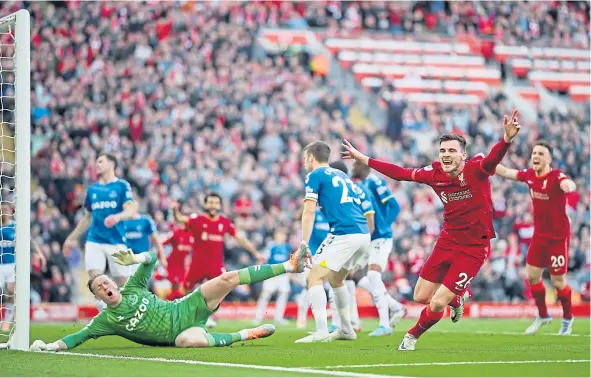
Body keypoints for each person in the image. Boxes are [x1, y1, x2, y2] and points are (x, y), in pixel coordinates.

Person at [342, 110, 521, 350]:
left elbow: (493, 159)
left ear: (463, 155)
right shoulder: (433, 173)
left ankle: (412, 336)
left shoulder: (477, 169)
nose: (446, 155)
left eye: (451, 151)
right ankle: (458, 296)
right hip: (447, 241)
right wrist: (364, 159)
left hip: (474, 248)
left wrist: (507, 139)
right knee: (420, 297)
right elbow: (400, 173)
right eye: (443, 151)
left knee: (437, 303)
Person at [29, 244, 309, 352]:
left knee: (228, 278)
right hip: (181, 333)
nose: (104, 287)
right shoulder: (106, 320)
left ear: (113, 281)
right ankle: (246, 334)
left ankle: (289, 265)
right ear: (97, 297)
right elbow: (77, 337)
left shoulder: (133, 287)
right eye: (99, 288)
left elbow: (150, 260)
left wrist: (136, 258)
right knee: (190, 342)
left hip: (186, 306)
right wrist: (49, 346)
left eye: (105, 281)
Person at [494, 140, 577, 335]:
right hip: (539, 236)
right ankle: (543, 315)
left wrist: (568, 185)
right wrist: (485, 162)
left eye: (540, 154)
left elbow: (568, 182)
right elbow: (506, 172)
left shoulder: (557, 176)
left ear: (549, 159)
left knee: (558, 283)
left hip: (557, 238)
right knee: (531, 277)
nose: (536, 157)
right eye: (534, 154)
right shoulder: (530, 175)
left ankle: (567, 318)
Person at [296, 141, 371, 343]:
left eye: (305, 158)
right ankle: (346, 329)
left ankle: (321, 331)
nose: (304, 163)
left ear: (311, 157)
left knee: (313, 278)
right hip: (363, 234)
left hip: (344, 234)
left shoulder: (314, 175)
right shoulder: (342, 175)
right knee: (337, 280)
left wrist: (304, 242)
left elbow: (309, 210)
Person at [63, 153, 139, 309]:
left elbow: (130, 211)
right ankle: (102, 313)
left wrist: (117, 217)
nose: (97, 164)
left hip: (116, 241)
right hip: (94, 240)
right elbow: (87, 218)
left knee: (123, 283)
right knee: (95, 279)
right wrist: (70, 238)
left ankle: (128, 313)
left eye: (100, 161)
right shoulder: (92, 190)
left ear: (112, 164)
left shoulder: (122, 186)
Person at [351, 161, 406, 336]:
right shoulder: (360, 184)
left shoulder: (373, 181)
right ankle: (395, 307)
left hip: (379, 237)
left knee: (373, 275)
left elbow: (394, 206)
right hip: (368, 237)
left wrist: (384, 226)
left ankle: (384, 325)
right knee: (352, 275)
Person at [325, 160, 375, 335]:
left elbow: (366, 219)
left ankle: (339, 323)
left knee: (335, 278)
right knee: (348, 282)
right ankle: (352, 322)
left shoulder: (340, 189)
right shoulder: (357, 188)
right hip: (361, 238)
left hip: (350, 238)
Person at [0, 204, 45, 331]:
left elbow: (29, 240)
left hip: (11, 264)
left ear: (10, 211)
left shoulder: (15, 226)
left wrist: (39, 252)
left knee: (10, 291)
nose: (4, 212)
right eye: (2, 210)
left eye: (6, 210)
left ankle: (7, 320)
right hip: (0, 264)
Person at [296, 208, 329, 329]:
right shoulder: (314, 213)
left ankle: (325, 319)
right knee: (308, 286)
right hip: (312, 255)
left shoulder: (331, 214)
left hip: (326, 256)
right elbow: (301, 218)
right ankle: (301, 316)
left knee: (321, 286)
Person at [254, 228, 292, 325]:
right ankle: (258, 318)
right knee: (265, 295)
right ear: (275, 235)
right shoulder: (271, 245)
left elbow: (290, 261)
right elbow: (264, 258)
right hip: (271, 274)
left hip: (283, 275)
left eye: (283, 234)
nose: (281, 236)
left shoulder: (287, 247)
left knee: (283, 295)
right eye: (279, 234)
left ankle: (278, 318)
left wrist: (289, 273)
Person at [162, 223, 194, 300]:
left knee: (184, 285)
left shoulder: (192, 235)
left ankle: (177, 302)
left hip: (183, 265)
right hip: (174, 263)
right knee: (175, 284)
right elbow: (163, 243)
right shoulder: (177, 233)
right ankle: (170, 303)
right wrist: (162, 258)